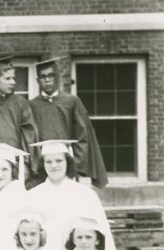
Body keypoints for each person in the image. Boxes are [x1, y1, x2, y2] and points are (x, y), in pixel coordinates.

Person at [29, 58, 109, 188]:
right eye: (43, 77)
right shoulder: (31, 105)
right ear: (38, 81)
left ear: (57, 78)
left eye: (50, 76)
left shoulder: (71, 101)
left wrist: (74, 165)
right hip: (43, 167)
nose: (47, 80)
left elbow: (82, 135)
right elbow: (29, 137)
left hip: (67, 165)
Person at [27, 139, 112, 250]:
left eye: (59, 160)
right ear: (43, 164)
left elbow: (99, 232)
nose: (54, 165)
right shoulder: (33, 195)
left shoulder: (85, 194)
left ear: (68, 162)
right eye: (48, 162)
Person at [0, 56, 39, 155]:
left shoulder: (20, 103)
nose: (13, 82)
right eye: (8, 79)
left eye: (13, 78)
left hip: (16, 160)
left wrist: (25, 161)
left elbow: (29, 135)